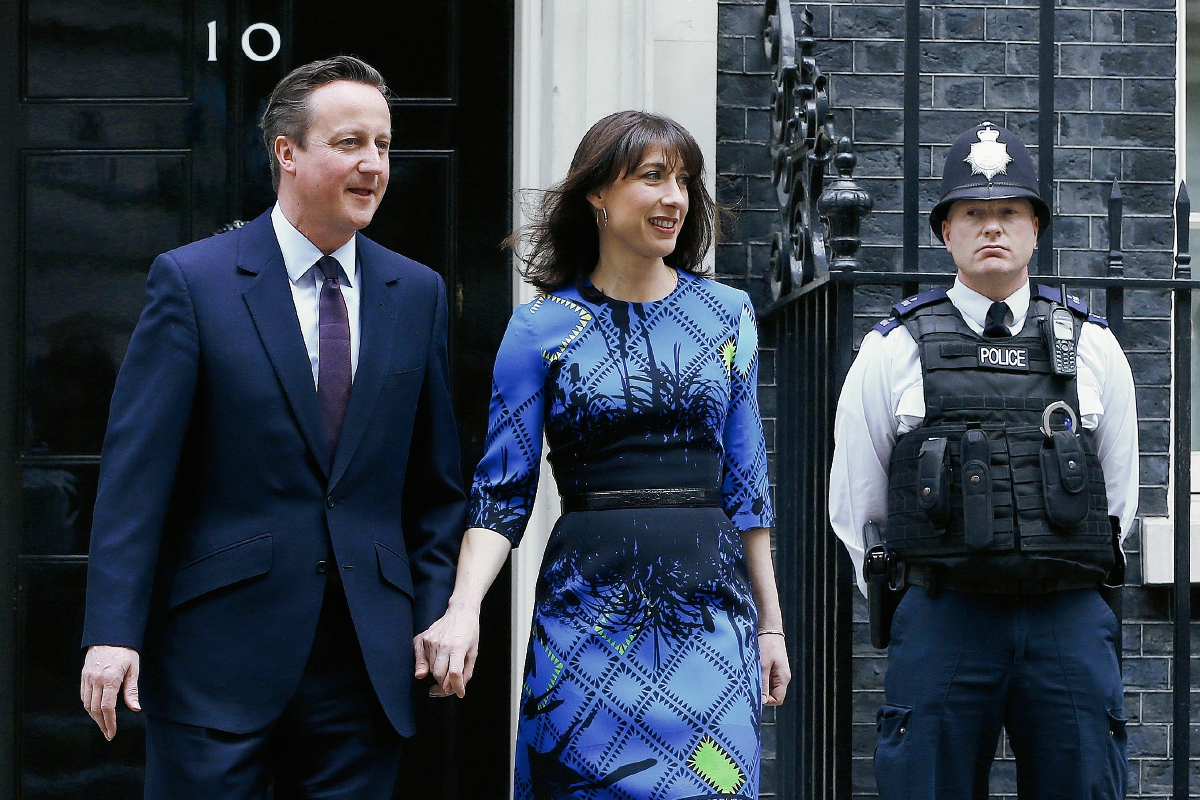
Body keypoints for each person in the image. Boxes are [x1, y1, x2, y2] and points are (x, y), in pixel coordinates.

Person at [78, 56, 465, 799]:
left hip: (365, 664)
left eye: (383, 146)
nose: (374, 166)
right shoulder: (193, 281)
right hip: (214, 659)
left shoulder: (415, 292)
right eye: (350, 143)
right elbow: (136, 478)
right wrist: (112, 631)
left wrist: (430, 609)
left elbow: (437, 482)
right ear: (287, 153)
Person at [412, 110, 790, 798]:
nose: (675, 197)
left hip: (710, 610)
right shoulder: (538, 328)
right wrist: (463, 608)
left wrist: (771, 624)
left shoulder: (728, 312)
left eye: (684, 180)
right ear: (597, 194)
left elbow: (747, 482)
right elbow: (502, 492)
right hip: (587, 610)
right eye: (653, 177)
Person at [829, 122, 1139, 798]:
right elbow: (859, 507)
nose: (990, 227)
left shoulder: (1093, 346)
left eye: (1008, 212)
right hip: (946, 613)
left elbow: (1117, 497)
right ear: (947, 233)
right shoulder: (894, 350)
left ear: (1036, 229)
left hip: (1066, 617)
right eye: (972, 213)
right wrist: (914, 594)